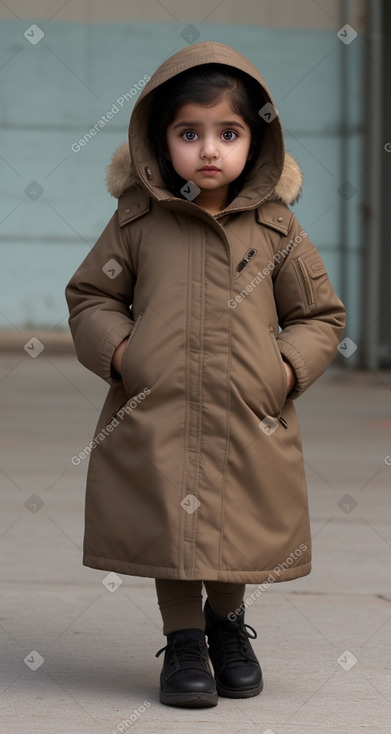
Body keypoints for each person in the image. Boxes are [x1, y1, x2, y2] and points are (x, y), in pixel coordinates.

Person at [65, 41, 346, 709]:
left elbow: (320, 315)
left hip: (248, 411)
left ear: (257, 140)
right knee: (170, 526)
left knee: (236, 522)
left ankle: (227, 630)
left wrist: (282, 372)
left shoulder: (277, 230)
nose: (208, 150)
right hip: (156, 407)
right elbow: (92, 296)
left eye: (228, 133)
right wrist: (123, 356)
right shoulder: (137, 221)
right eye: (188, 133)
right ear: (160, 142)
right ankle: (183, 641)